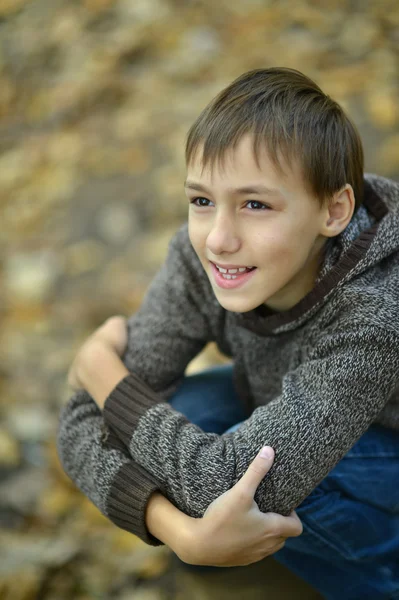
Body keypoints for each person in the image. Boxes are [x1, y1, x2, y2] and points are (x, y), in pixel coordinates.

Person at [57, 67, 399, 599]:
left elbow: (233, 482)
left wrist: (103, 371)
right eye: (201, 200)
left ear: (334, 210)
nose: (218, 239)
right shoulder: (204, 259)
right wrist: (183, 534)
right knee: (177, 419)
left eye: (255, 205)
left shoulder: (375, 313)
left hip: (388, 445)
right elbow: (80, 420)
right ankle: (233, 555)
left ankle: (376, 581)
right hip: (298, 410)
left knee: (258, 487)